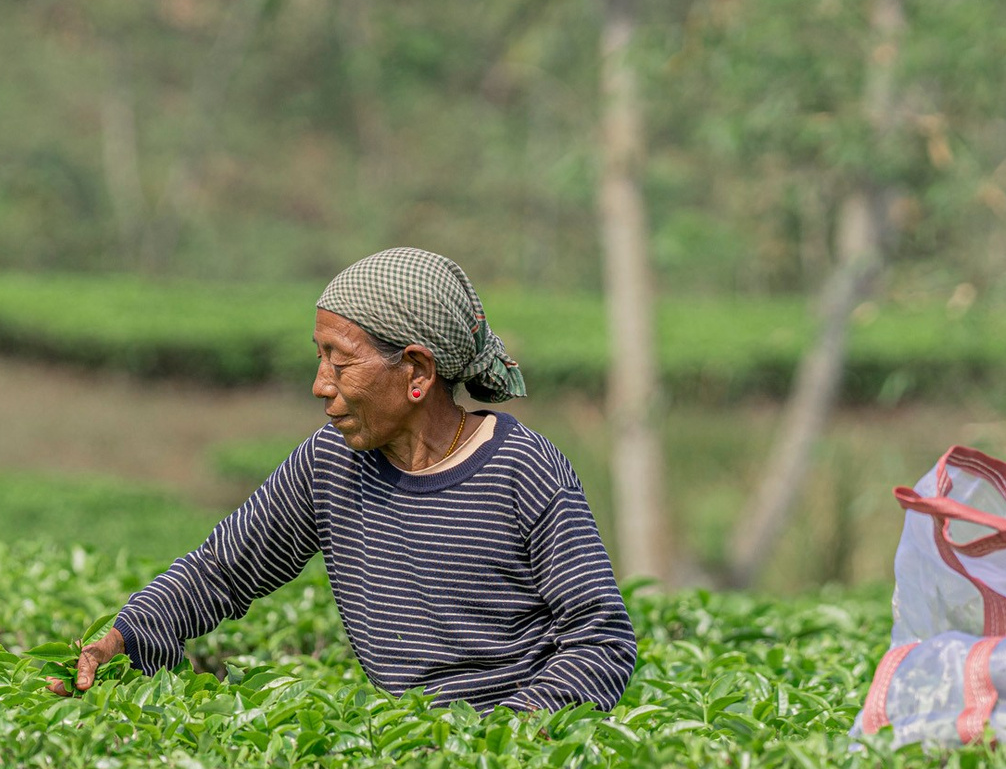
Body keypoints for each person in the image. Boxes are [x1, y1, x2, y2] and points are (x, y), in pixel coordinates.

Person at [56, 246, 636, 711]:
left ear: (416, 370)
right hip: (404, 750)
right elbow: (220, 572)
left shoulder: (523, 470)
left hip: (520, 764)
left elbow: (602, 640)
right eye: (318, 357)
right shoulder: (331, 462)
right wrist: (125, 636)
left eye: (340, 360)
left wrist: (507, 743)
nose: (320, 383)